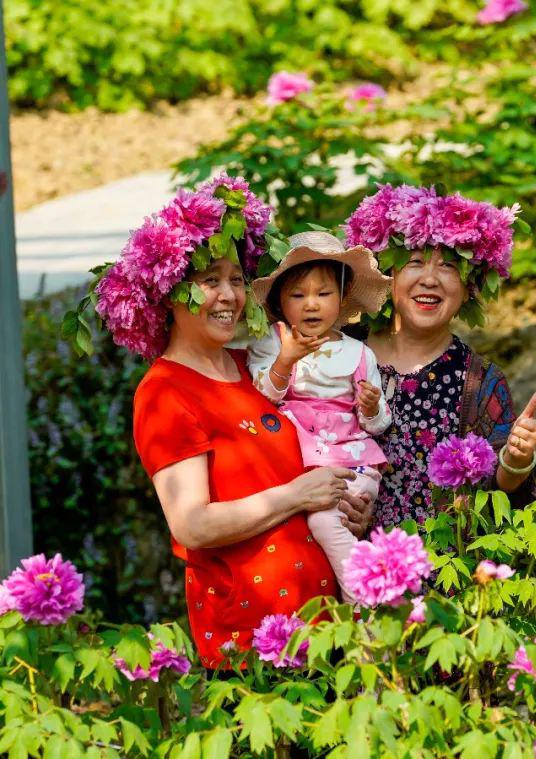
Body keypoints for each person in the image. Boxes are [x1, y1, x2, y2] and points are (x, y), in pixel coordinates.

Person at [84, 175, 374, 669]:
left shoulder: (254, 367)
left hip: (327, 630)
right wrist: (298, 495)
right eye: (209, 280)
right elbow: (192, 524)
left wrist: (348, 506)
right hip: (252, 639)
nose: (229, 296)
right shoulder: (164, 392)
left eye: (237, 279)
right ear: (169, 292)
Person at [341, 184, 536, 528]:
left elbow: (499, 496)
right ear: (389, 275)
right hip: (334, 559)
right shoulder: (339, 350)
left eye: (449, 267)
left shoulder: (480, 382)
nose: (430, 279)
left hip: (438, 569)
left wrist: (516, 459)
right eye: (415, 262)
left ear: (469, 289)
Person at [248, 231, 392, 604]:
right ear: (280, 301)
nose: (311, 305)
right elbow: (262, 397)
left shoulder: (359, 354)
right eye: (297, 295)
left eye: (323, 294)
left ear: (342, 298)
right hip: (301, 466)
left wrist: (372, 405)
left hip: (352, 463)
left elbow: (379, 425)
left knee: (325, 521)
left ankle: (365, 598)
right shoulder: (273, 345)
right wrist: (286, 360)